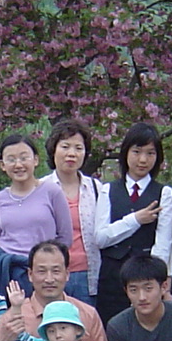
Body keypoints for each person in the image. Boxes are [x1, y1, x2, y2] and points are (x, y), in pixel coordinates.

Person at [94, 122, 172, 325]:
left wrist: (156, 282)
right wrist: (135, 220)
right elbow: (101, 238)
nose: (143, 160)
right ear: (126, 153)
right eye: (137, 152)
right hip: (112, 279)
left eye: (150, 153)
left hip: (146, 282)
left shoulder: (163, 193)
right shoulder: (108, 190)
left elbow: (164, 243)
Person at [0, 133, 71, 295]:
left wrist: (47, 263)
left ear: (35, 160)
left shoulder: (52, 192)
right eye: (11, 159)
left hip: (44, 272)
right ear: (3, 165)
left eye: (24, 157)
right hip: (9, 272)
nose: (18, 164)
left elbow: (65, 237)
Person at [42, 118, 101, 307]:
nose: (72, 154)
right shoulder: (40, 188)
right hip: (51, 275)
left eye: (78, 148)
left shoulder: (96, 188)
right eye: (65, 147)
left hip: (88, 275)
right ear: (53, 150)